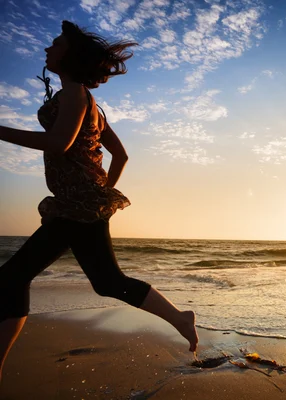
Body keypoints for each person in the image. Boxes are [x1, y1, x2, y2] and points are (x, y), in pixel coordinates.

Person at [0, 21, 198, 382]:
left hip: (78, 206)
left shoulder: (75, 93)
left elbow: (60, 143)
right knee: (104, 281)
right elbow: (120, 156)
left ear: (69, 54)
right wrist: (100, 192)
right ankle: (180, 317)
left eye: (55, 42)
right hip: (78, 203)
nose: (48, 48)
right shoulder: (86, 100)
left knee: (13, 276)